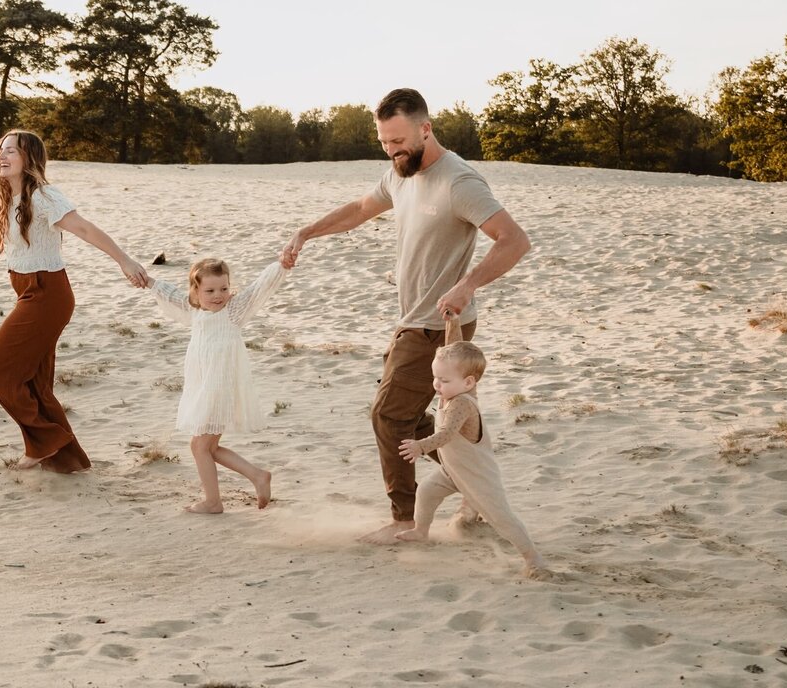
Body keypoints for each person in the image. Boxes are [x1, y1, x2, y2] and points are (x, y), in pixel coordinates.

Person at [280, 88, 531, 544]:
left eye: (398, 141)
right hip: (411, 318)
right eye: (383, 142)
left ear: (425, 128)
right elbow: (360, 209)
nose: (392, 150)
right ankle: (472, 489)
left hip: (440, 325)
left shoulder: (460, 182)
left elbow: (514, 240)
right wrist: (307, 231)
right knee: (416, 421)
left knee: (389, 416)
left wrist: (468, 283)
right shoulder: (399, 174)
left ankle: (405, 518)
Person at [0, 130, 148, 474]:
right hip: (28, 289)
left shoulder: (43, 196)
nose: (2, 156)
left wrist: (124, 260)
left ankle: (45, 442)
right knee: (35, 382)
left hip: (47, 292)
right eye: (0, 150)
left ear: (29, 159)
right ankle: (68, 461)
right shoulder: (7, 200)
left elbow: (84, 229)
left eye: (11, 150)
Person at [394, 313, 550, 577]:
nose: (437, 385)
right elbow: (453, 350)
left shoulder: (462, 404)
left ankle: (533, 558)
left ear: (468, 383)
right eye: (435, 378)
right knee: (427, 492)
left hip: (477, 475)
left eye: (443, 381)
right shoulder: (460, 388)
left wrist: (420, 446)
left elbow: (445, 434)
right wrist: (452, 324)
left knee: (502, 519)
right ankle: (421, 531)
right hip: (453, 471)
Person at [146, 257, 288, 513]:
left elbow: (259, 287)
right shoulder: (195, 311)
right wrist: (146, 281)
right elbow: (170, 294)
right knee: (207, 447)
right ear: (196, 292)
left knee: (199, 446)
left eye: (224, 288)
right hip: (204, 388)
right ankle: (257, 475)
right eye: (210, 291)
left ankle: (213, 501)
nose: (218, 295)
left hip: (220, 388)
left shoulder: (232, 311)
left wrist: (282, 264)